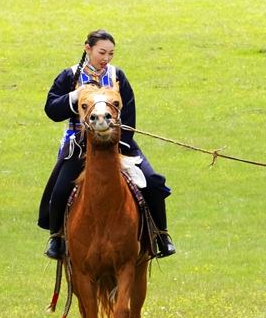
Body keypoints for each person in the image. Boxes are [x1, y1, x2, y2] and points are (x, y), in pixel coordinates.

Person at [39, 30, 175, 260]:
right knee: (60, 189)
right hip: (80, 144)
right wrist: (74, 97)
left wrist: (119, 143)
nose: (106, 58)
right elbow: (51, 109)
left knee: (152, 181)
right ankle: (57, 238)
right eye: (102, 52)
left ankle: (161, 235)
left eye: (111, 53)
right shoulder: (70, 76)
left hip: (118, 141)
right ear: (87, 49)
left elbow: (129, 113)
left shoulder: (117, 75)